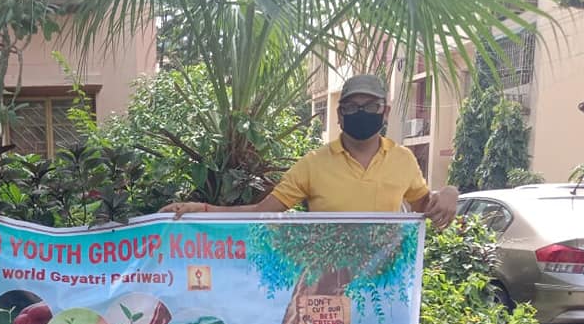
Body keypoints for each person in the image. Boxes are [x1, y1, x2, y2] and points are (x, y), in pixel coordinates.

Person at [161, 74, 458, 230]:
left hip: (384, 286)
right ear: (339, 115)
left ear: (385, 112)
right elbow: (261, 212)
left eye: (371, 106)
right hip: (327, 285)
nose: (361, 112)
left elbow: (427, 208)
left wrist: (449, 193)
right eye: (352, 107)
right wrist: (201, 209)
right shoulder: (313, 165)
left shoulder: (403, 160)